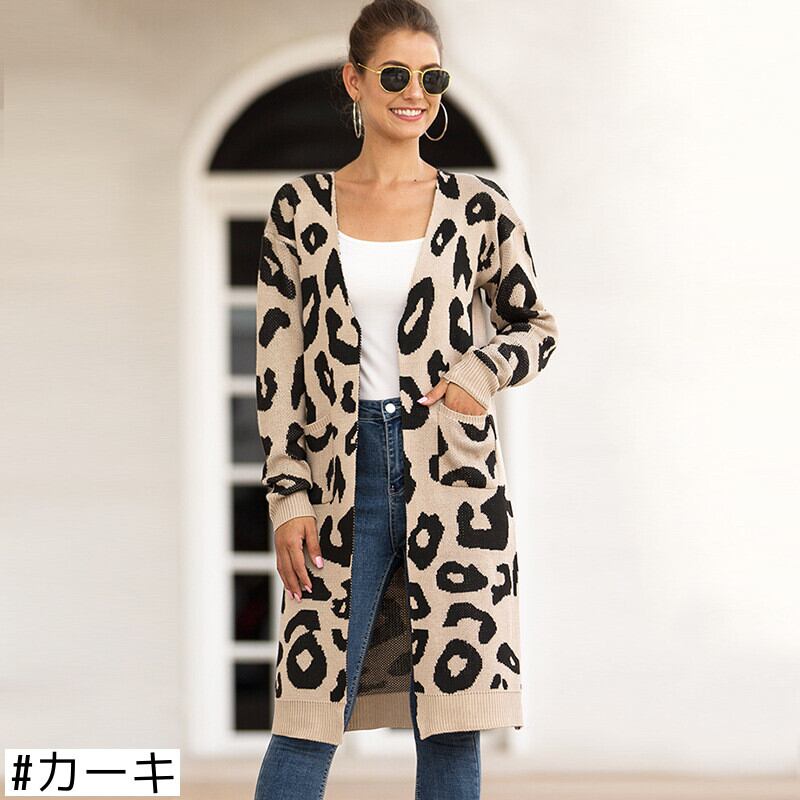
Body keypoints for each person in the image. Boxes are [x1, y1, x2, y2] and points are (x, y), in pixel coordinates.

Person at [253, 1, 559, 797]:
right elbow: (277, 367)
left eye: (431, 77)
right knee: (306, 719)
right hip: (337, 479)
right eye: (395, 75)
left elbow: (535, 327)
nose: (414, 92)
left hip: (455, 481)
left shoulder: (478, 206)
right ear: (354, 81)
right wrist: (287, 496)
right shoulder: (299, 208)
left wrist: (475, 377)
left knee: (452, 726)